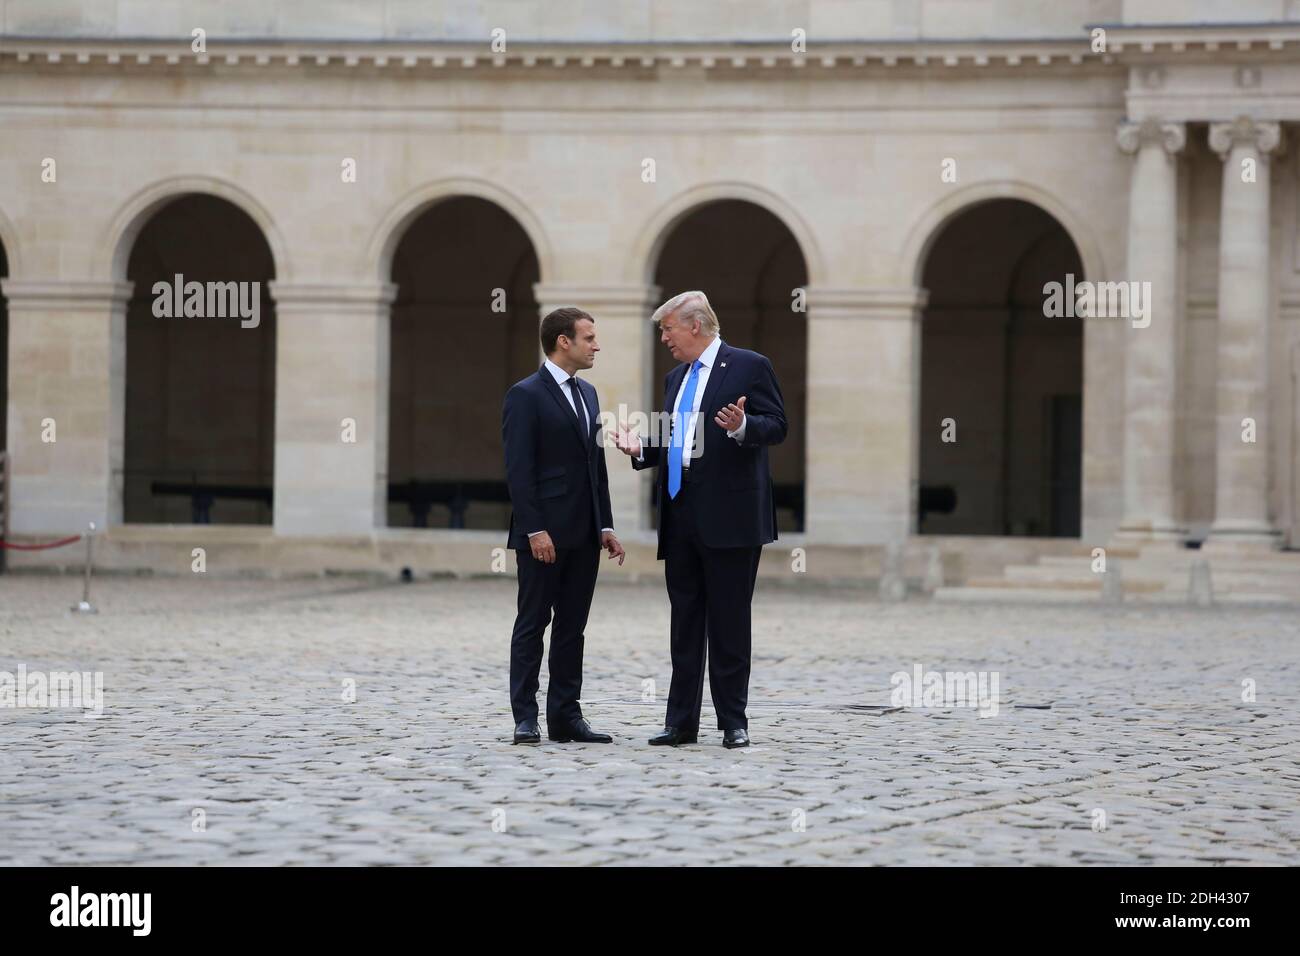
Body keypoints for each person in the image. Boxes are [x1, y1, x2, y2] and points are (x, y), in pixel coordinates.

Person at [613, 291, 787, 748]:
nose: (664, 338)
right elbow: (679, 438)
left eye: (668, 328)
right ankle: (680, 723)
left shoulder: (749, 365)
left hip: (731, 515)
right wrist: (642, 449)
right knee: (685, 620)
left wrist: (742, 428)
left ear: (694, 326)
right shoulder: (676, 377)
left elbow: (777, 425)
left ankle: (733, 722)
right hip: (681, 510)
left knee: (729, 622)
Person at [502, 307, 625, 745]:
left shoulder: (589, 394)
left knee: (573, 627)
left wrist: (605, 524)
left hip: (583, 533)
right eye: (589, 337)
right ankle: (525, 717)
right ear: (562, 342)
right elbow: (519, 470)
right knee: (532, 623)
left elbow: (597, 467)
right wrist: (535, 529)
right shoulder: (525, 394)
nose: (596, 345)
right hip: (543, 535)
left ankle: (566, 717)